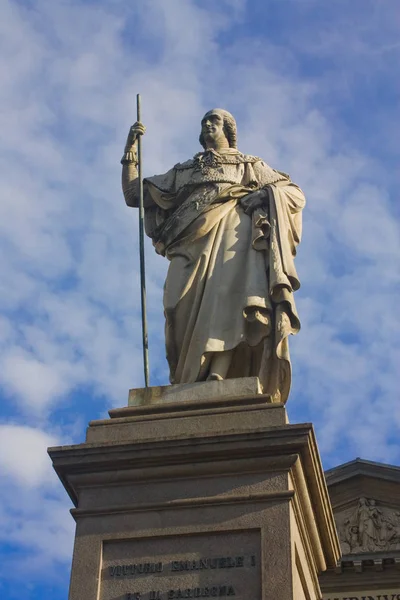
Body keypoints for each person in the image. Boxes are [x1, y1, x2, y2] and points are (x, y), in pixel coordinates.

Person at [121, 109, 305, 402]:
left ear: (228, 129)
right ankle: (186, 376)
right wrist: (130, 152)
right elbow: (134, 196)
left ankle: (219, 370)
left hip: (232, 234)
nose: (208, 124)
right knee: (174, 305)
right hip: (187, 243)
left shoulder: (249, 165)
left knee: (227, 299)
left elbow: (293, 193)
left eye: (214, 121)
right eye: (205, 121)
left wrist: (265, 195)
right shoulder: (184, 171)